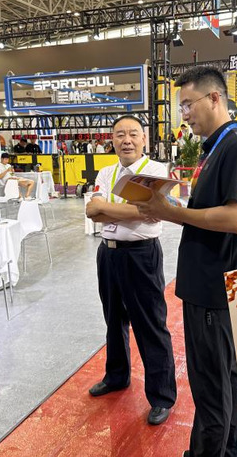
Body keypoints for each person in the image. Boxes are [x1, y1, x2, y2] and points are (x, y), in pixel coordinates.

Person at [132, 67, 237, 457]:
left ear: (215, 98)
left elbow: (236, 219)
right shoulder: (215, 146)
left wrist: (171, 212)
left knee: (212, 390)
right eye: (181, 107)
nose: (184, 114)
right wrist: (170, 206)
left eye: (189, 104)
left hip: (215, 291)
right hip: (212, 286)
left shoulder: (236, 146)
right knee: (224, 383)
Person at [85, 115, 177, 426]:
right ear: (112, 140)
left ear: (144, 139)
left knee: (150, 323)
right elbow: (92, 211)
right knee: (113, 319)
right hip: (108, 254)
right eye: (120, 134)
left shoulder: (154, 171)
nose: (126, 140)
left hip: (141, 255)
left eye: (133, 134)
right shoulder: (106, 172)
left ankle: (161, 396)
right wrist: (132, 211)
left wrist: (109, 209)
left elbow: (152, 212)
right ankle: (116, 376)